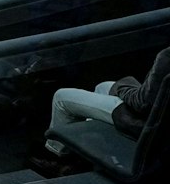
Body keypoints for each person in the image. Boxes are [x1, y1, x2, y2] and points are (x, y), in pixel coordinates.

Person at [40, 44, 170, 170]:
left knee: (61, 97)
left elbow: (142, 104)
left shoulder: (167, 56)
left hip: (145, 126)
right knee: (103, 86)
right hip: (160, 122)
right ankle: (88, 152)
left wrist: (122, 85)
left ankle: (58, 158)